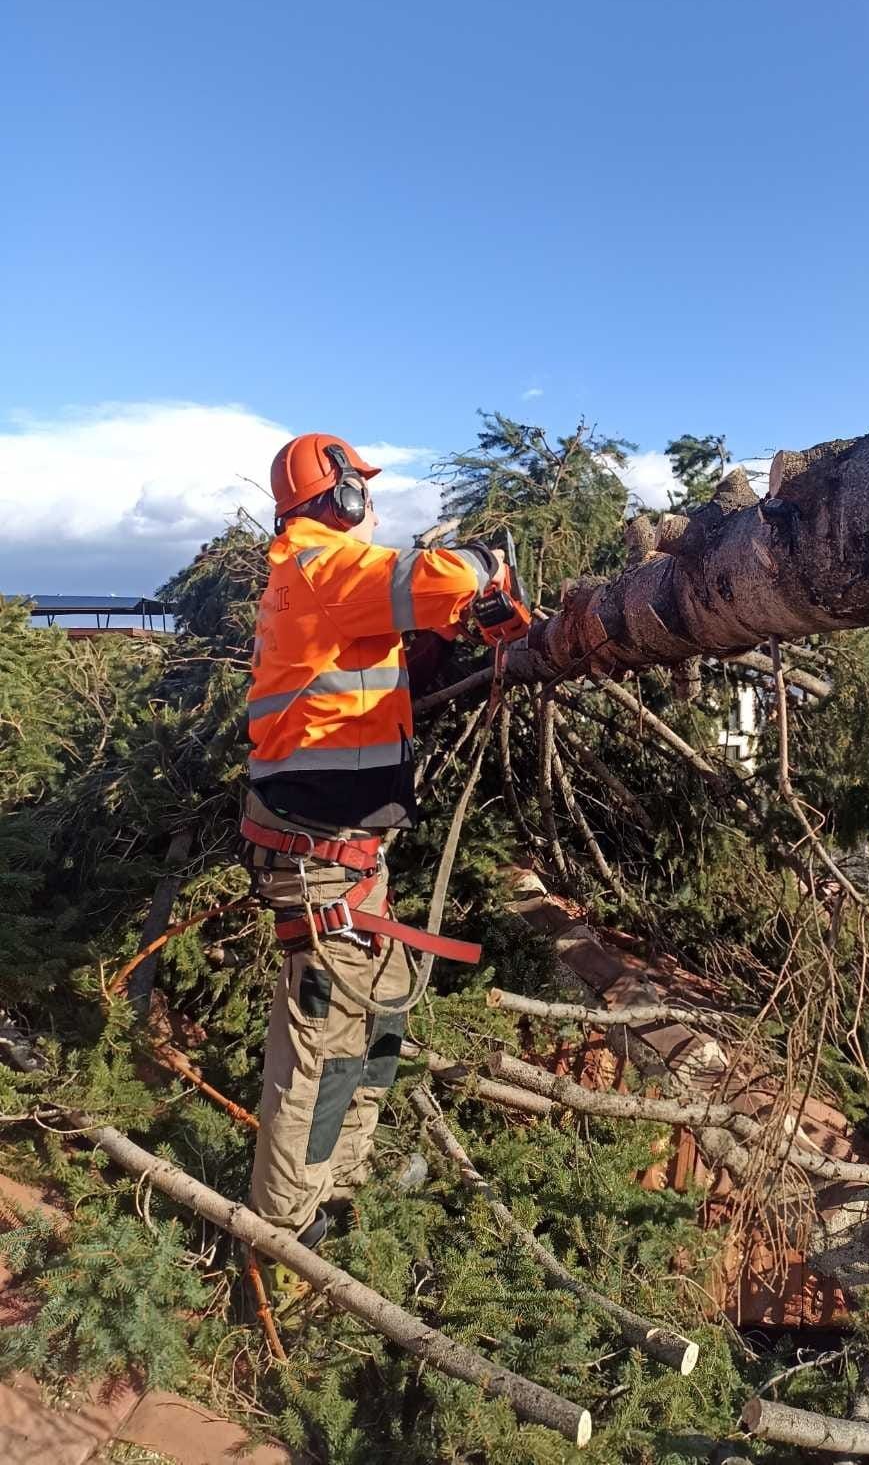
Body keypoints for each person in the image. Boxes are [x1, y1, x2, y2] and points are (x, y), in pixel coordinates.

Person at [241, 431, 509, 1272]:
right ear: (340, 494)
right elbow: (446, 576)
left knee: (379, 1008)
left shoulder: (324, 584)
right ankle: (283, 1223)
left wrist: (443, 640)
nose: (373, 502)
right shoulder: (323, 569)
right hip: (318, 854)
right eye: (362, 486)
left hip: (350, 852)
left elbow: (374, 657)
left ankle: (343, 1177)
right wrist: (489, 569)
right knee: (322, 1037)